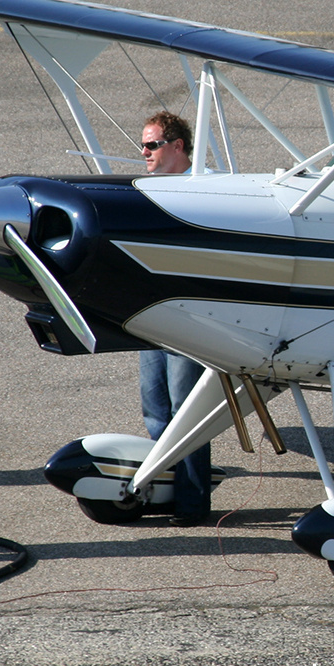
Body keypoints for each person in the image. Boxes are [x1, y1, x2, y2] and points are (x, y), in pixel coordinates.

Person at [136, 111, 211, 527]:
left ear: (177, 146)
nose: (144, 153)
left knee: (187, 411)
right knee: (156, 411)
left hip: (189, 318)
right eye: (143, 146)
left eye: (151, 145)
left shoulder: (207, 187)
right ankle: (166, 486)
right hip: (151, 314)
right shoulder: (144, 190)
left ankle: (193, 502)